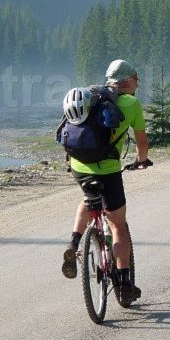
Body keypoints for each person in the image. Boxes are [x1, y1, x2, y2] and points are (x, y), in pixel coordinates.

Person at [61, 59, 150, 305]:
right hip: (108, 170)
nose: (138, 84)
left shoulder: (90, 98)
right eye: (135, 79)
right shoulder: (131, 103)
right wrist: (141, 161)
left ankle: (74, 241)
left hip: (79, 167)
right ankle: (124, 285)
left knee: (88, 199)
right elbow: (142, 142)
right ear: (124, 82)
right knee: (118, 225)